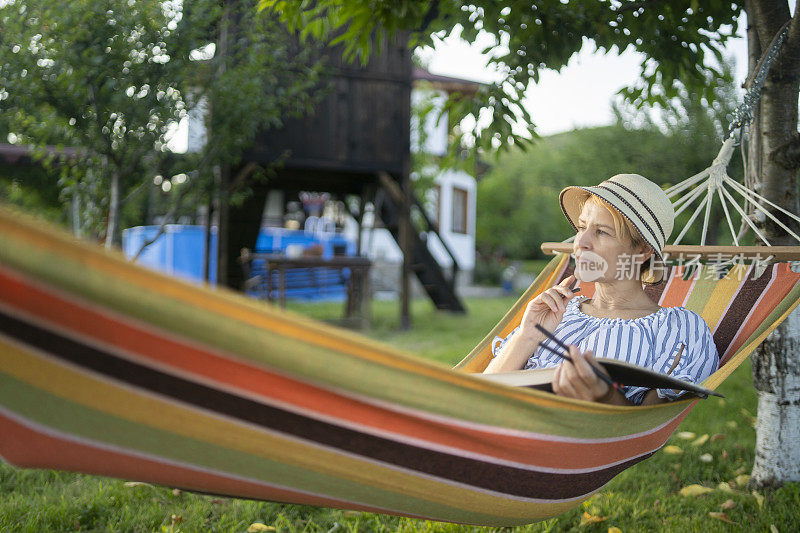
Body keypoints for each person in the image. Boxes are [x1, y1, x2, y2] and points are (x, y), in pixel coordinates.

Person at [484, 174, 719, 406]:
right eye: (581, 227)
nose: (581, 242)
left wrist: (605, 395)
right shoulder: (556, 313)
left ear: (642, 251)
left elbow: (645, 428)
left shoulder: (676, 329)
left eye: (601, 232)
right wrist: (529, 335)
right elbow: (480, 396)